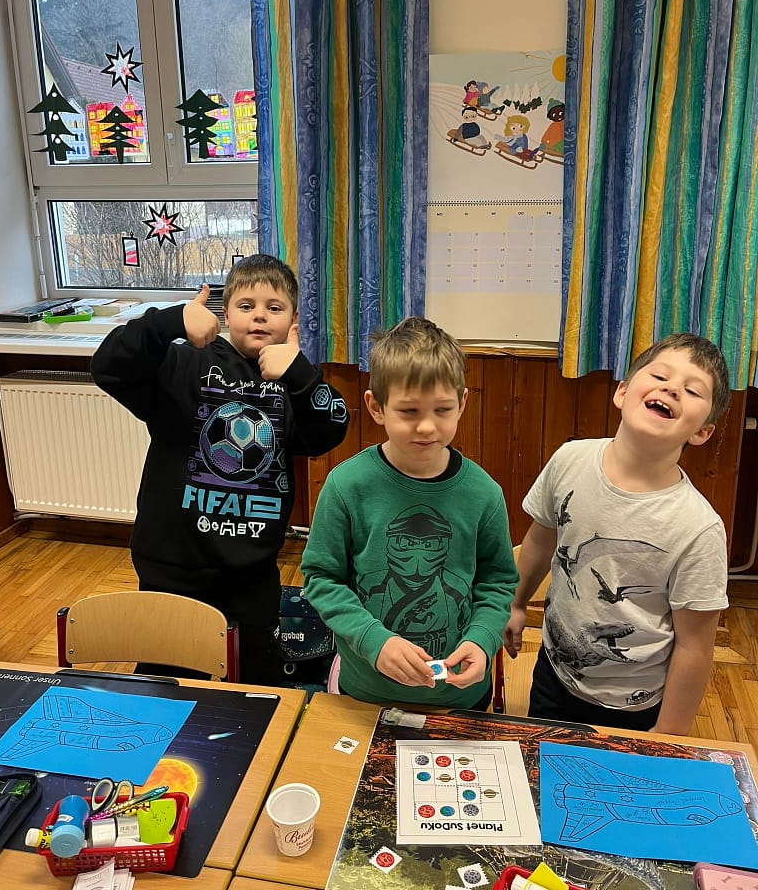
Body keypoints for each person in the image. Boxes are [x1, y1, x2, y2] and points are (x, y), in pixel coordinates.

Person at [91, 253, 350, 684]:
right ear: (225, 313)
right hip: (172, 567)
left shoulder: (293, 381)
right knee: (165, 683)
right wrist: (171, 321)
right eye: (246, 305)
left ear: (293, 320)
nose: (259, 316)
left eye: (274, 307)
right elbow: (108, 366)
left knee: (257, 686)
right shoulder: (185, 364)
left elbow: (332, 428)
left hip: (251, 574)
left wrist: (300, 375)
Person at [503, 333, 731, 734]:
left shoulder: (699, 529)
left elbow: (695, 646)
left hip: (634, 706)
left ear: (702, 432)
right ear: (622, 392)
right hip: (555, 676)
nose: (671, 388)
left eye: (693, 390)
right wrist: (517, 603)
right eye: (659, 375)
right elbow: (540, 540)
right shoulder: (569, 460)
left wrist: (669, 734)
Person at [301, 316, 518, 710]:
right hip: (364, 696)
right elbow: (321, 579)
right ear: (376, 407)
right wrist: (373, 640)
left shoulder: (484, 494)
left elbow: (498, 582)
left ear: (462, 403)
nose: (426, 427)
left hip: (460, 698)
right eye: (409, 411)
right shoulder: (346, 485)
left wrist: (482, 639)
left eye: (442, 410)